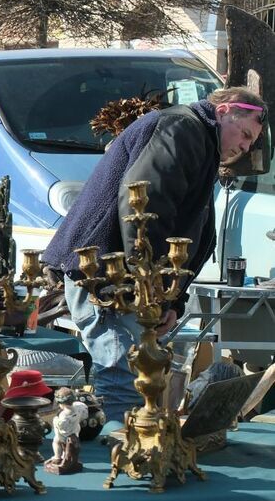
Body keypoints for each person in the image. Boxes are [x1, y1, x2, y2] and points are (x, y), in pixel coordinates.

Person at [42, 86, 268, 422]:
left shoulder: (196, 137)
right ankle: (127, 455)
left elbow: (184, 226)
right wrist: (156, 291)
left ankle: (134, 451)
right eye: (246, 134)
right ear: (224, 111)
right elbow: (147, 207)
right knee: (121, 375)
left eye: (251, 142)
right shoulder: (183, 128)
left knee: (137, 376)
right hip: (109, 273)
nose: (246, 147)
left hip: (125, 275)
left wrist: (171, 300)